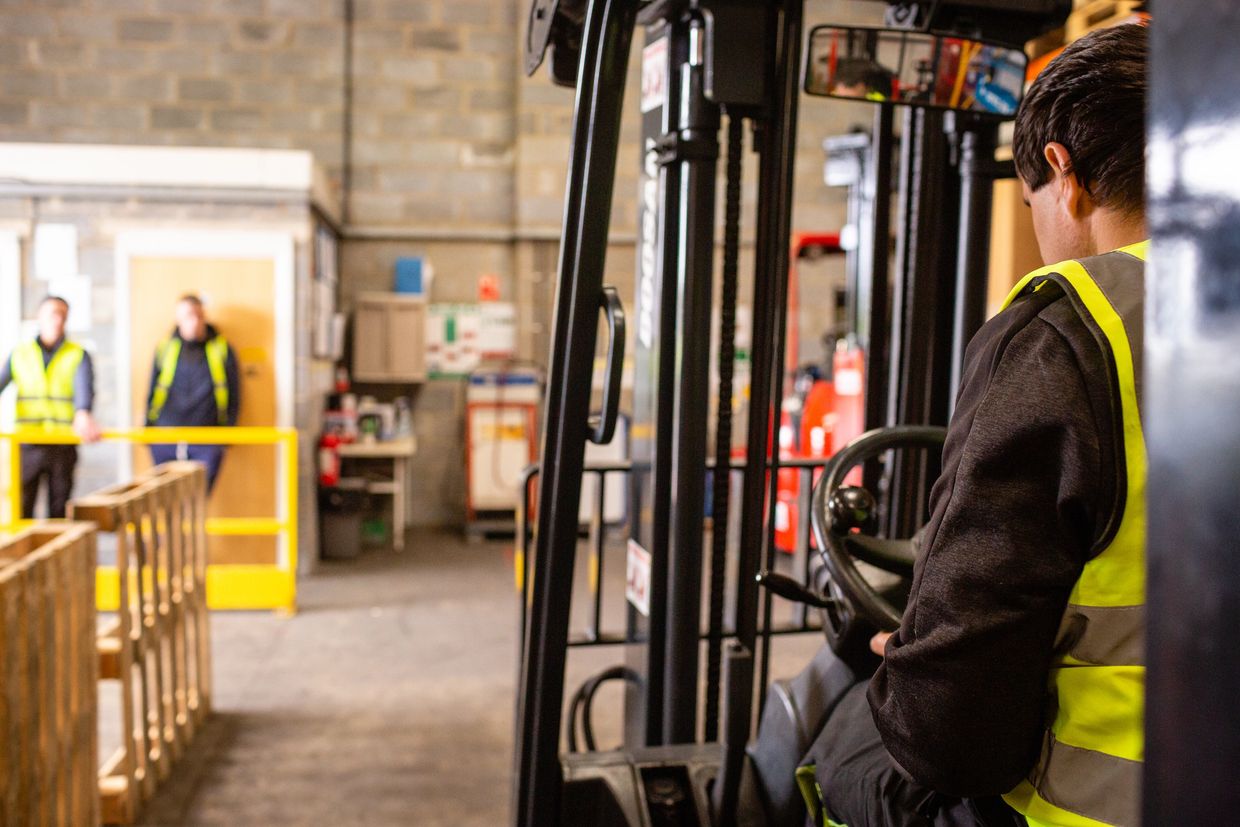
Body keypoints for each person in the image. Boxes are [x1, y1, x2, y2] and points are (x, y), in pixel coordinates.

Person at [798, 24, 1149, 827]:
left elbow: (955, 740)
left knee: (845, 748)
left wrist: (916, 670)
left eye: (1031, 207)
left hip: (1097, 809)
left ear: (1063, 174)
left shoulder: (1073, 328)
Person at [0, 295, 101, 518]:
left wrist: (83, 414)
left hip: (62, 444)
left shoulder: (77, 354)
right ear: (40, 317)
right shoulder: (20, 354)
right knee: (22, 508)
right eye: (52, 314)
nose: (57, 320)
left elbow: (84, 390)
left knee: (59, 510)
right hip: (28, 444)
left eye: (62, 315)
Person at [145, 294, 240, 491]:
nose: (194, 322)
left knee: (197, 499)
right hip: (166, 436)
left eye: (198, 315)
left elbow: (234, 393)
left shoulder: (220, 348)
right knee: (165, 498)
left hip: (207, 437)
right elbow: (153, 389)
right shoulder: (166, 348)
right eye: (188, 316)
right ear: (178, 319)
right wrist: (148, 427)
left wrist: (228, 432)